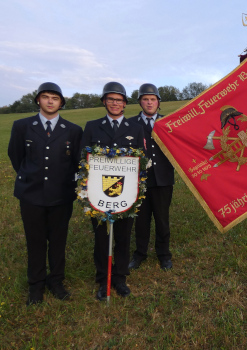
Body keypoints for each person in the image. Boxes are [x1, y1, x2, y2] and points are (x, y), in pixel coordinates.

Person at [8, 82, 83, 305]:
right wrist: (32, 177)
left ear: (61, 103)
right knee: (36, 241)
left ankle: (56, 281)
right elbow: (16, 157)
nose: (50, 101)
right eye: (46, 97)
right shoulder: (22, 126)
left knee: (58, 241)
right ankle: (36, 285)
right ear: (38, 100)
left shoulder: (73, 130)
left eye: (55, 98)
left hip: (61, 195)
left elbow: (75, 163)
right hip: (31, 195)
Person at [79, 82, 145, 301]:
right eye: (111, 99)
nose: (115, 103)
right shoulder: (92, 126)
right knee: (101, 237)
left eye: (119, 100)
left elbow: (141, 159)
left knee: (124, 237)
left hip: (126, 194)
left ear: (125, 104)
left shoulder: (135, 128)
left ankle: (120, 278)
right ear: (104, 102)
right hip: (99, 194)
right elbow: (82, 159)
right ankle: (103, 279)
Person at [128, 84, 175, 271]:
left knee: (162, 219)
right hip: (139, 180)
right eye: (145, 99)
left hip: (163, 178)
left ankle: (164, 254)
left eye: (153, 99)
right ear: (140, 102)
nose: (149, 102)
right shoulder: (130, 124)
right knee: (141, 220)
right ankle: (140, 253)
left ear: (158, 102)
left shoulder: (169, 122)